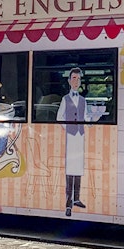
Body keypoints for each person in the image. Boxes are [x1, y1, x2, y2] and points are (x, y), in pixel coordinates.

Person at [56, 67, 87, 216]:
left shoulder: (83, 100)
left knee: (78, 168)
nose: (76, 81)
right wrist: (68, 128)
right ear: (69, 81)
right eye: (73, 78)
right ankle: (68, 203)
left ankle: (77, 198)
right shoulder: (65, 99)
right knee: (70, 169)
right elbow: (59, 117)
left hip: (80, 136)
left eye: (78, 79)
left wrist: (95, 118)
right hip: (71, 137)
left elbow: (86, 118)